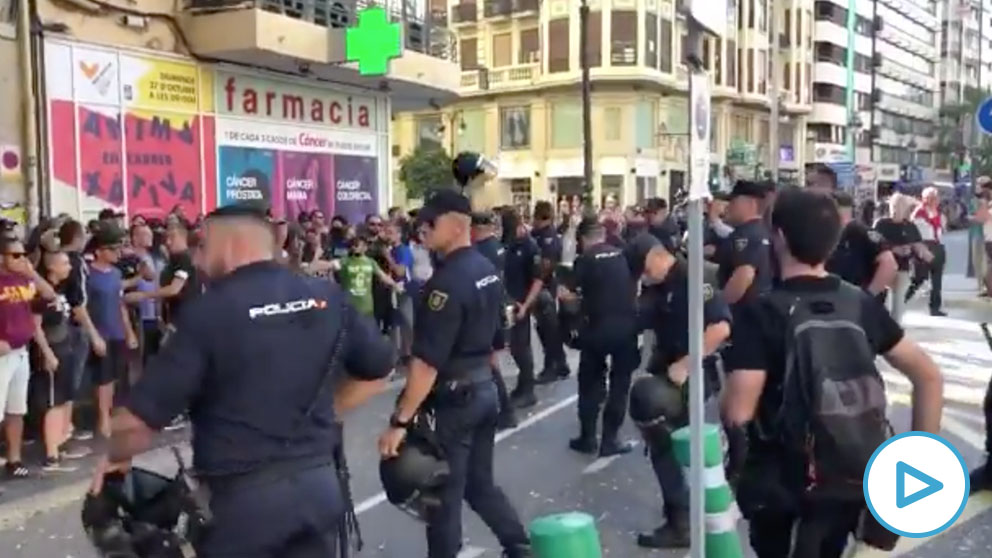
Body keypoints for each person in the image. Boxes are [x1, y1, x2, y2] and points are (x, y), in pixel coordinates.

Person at [91, 203, 395, 557]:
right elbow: (379, 369)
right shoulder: (325, 296)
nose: (198, 259)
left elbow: (137, 422)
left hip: (244, 506)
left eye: (202, 246)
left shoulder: (209, 314)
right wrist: (328, 411)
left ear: (231, 245)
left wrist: (114, 457)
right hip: (319, 487)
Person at [721, 188, 943, 558]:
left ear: (779, 237)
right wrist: (919, 457)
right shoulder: (857, 302)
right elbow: (928, 376)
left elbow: (738, 412)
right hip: (855, 475)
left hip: (786, 486)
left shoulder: (763, 312)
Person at [379, 190, 531, 558]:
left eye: (431, 222)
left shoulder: (445, 284)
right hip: (482, 389)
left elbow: (427, 362)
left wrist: (400, 420)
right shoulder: (486, 270)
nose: (422, 229)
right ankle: (520, 547)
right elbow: (498, 343)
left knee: (443, 498)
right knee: (479, 485)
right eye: (420, 222)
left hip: (456, 400)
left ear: (456, 224)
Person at [628, 234, 732, 548]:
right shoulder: (661, 287)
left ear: (656, 258)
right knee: (668, 442)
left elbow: (720, 327)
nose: (645, 277)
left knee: (661, 429)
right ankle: (687, 514)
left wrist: (685, 365)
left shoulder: (694, 277)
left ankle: (686, 520)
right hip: (672, 372)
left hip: (692, 376)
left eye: (644, 269)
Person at [558, 217, 638, 457]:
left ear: (582, 240)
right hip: (626, 326)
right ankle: (611, 439)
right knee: (620, 384)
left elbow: (566, 294)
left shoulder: (584, 261)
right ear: (603, 235)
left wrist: (578, 302)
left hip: (597, 327)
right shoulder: (622, 254)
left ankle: (588, 437)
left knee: (590, 382)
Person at [31, 249, 88, 472]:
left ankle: (59, 442)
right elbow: (36, 327)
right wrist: (47, 354)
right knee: (54, 402)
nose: (69, 267)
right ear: (52, 266)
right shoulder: (41, 294)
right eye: (64, 263)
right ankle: (51, 455)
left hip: (66, 348)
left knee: (64, 398)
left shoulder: (62, 289)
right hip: (53, 350)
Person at [86, 227, 139, 439]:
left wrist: (129, 331)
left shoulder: (116, 274)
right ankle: (103, 418)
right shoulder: (89, 274)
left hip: (117, 330)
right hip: (101, 331)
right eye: (112, 249)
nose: (117, 253)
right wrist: (93, 335)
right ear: (99, 251)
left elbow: (120, 304)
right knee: (103, 379)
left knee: (118, 376)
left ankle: (115, 415)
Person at [58, 219, 105, 442]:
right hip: (74, 328)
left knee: (68, 381)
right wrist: (94, 334)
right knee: (71, 381)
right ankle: (64, 429)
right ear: (77, 237)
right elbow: (78, 302)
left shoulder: (60, 259)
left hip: (63, 327)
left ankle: (64, 428)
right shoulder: (75, 263)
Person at [0, 237, 41, 480]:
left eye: (23, 253)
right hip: (3, 354)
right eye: (15, 255)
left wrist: (32, 273)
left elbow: (48, 295)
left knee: (16, 410)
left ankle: (14, 460)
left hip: (21, 351)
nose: (21, 258)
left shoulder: (24, 279)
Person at [472, 211, 518, 429]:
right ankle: (503, 410)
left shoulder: (482, 251)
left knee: (489, 363)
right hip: (498, 308)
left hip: (488, 313)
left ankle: (505, 411)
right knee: (489, 362)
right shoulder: (497, 247)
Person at [501, 208, 543, 410]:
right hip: (509, 302)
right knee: (514, 347)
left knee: (521, 347)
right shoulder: (508, 243)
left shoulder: (529, 246)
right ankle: (523, 383)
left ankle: (529, 390)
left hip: (521, 304)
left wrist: (526, 305)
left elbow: (537, 279)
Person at [825, 192, 898, 299]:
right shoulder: (829, 234)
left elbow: (889, 263)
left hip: (853, 301)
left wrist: (869, 295)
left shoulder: (859, 232)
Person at [718, 180, 774, 314]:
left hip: (743, 315)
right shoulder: (764, 230)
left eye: (733, 202)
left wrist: (719, 306)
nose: (728, 207)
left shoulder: (746, 234)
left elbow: (744, 275)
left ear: (750, 203)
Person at [873, 193, 928, 323]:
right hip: (883, 266)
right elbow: (873, 242)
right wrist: (894, 249)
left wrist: (920, 251)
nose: (897, 208)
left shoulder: (909, 226)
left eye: (901, 205)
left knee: (898, 300)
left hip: (902, 267)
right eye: (894, 205)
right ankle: (880, 324)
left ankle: (895, 327)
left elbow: (918, 244)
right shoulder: (881, 224)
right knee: (879, 298)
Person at [530, 201, 569, 383]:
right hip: (544, 285)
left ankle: (551, 366)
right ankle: (560, 363)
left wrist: (535, 280)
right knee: (548, 327)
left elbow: (547, 264)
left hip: (545, 287)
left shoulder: (548, 237)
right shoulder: (539, 234)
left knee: (547, 328)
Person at [337, 236, 402, 318]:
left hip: (366, 307)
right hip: (350, 306)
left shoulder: (371, 262)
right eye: (353, 245)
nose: (355, 247)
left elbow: (383, 276)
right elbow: (330, 265)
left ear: (365, 247)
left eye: (358, 245)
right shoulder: (345, 261)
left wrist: (395, 285)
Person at [907, 187, 947, 316]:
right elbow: (915, 232)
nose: (934, 200)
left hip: (938, 246)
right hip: (924, 246)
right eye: (930, 197)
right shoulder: (919, 213)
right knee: (919, 278)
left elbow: (942, 230)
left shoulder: (939, 214)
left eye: (935, 197)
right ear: (925, 198)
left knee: (937, 280)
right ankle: (902, 299)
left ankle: (935, 308)